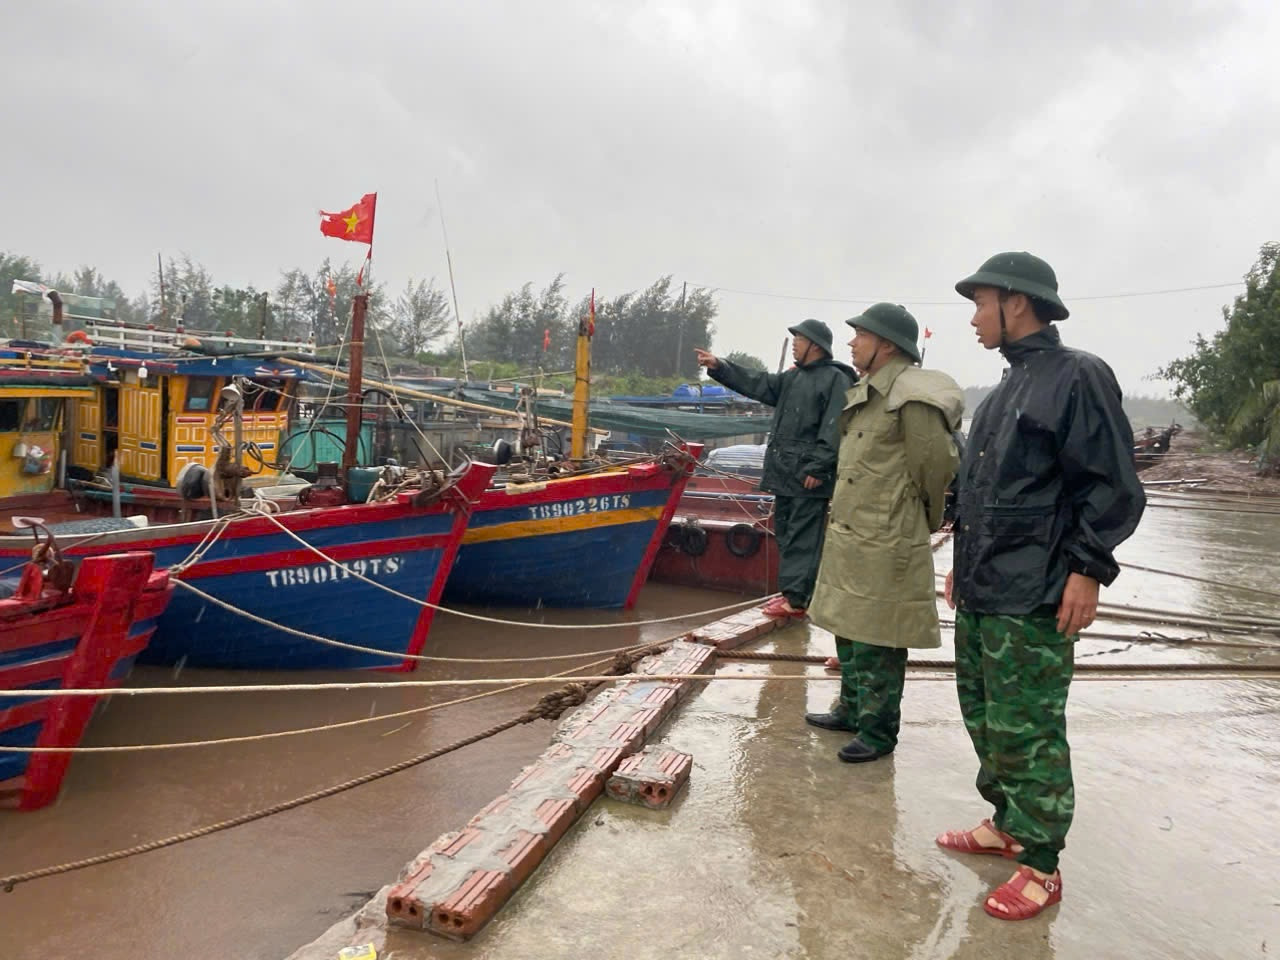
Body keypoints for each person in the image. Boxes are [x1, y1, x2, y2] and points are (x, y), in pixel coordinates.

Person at [937, 252, 1146, 920]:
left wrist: (1087, 569)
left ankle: (1043, 862)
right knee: (986, 719)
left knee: (1028, 729)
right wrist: (958, 564)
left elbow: (1111, 487)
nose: (973, 318)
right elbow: (980, 492)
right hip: (983, 587)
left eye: (980, 303)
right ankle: (1006, 823)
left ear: (1015, 303)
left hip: (1035, 594)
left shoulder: (1077, 378)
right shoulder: (1001, 393)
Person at [804, 303, 963, 762]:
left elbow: (935, 466)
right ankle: (851, 709)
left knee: (879, 638)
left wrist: (919, 519)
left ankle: (878, 731)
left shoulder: (911, 397)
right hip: (852, 532)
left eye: (860, 335)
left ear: (887, 344)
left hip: (885, 535)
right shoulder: (866, 391)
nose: (851, 342)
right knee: (848, 627)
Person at [695, 319, 856, 619]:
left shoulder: (836, 379)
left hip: (809, 475)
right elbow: (757, 382)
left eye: (799, 338)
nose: (794, 342)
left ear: (816, 345)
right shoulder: (791, 379)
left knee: (804, 537)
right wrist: (720, 366)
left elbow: (835, 426)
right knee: (785, 532)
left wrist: (819, 467)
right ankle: (791, 593)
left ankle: (797, 601)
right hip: (785, 474)